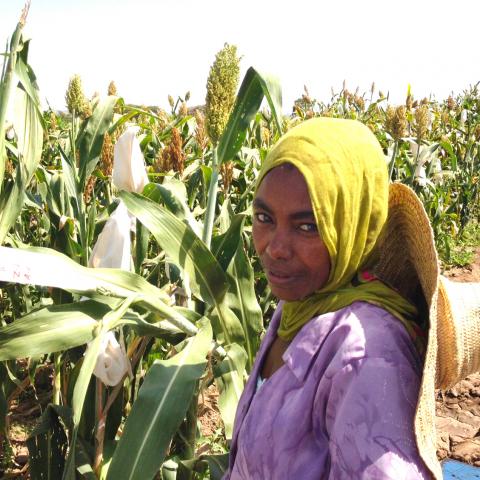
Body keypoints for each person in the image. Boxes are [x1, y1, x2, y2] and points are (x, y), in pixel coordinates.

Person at [222, 117, 480, 479]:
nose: (274, 248)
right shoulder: (299, 303)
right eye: (264, 217)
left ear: (351, 224)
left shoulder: (363, 354)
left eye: (307, 226)